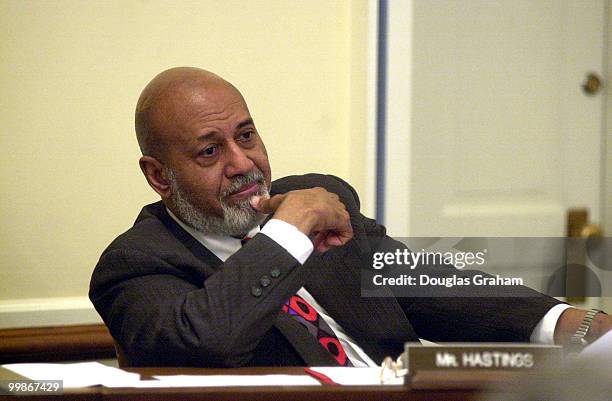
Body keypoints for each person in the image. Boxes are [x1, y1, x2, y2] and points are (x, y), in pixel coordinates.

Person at [89, 67, 611, 367]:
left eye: (245, 136)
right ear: (159, 176)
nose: (243, 163)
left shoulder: (321, 202)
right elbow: (208, 340)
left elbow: (430, 284)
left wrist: (575, 324)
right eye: (209, 152)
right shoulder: (136, 265)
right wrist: (287, 234)